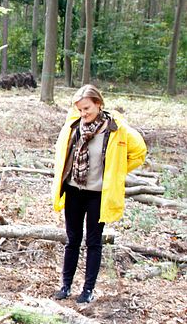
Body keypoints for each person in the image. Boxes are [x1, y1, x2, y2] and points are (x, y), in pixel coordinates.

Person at [51, 85, 147, 304]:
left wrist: (117, 170)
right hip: (74, 190)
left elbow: (140, 152)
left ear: (98, 104)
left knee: (94, 241)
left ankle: (87, 290)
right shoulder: (73, 125)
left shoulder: (117, 129)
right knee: (72, 239)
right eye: (80, 110)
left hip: (98, 195)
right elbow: (61, 153)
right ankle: (65, 286)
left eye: (87, 109)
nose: (84, 114)